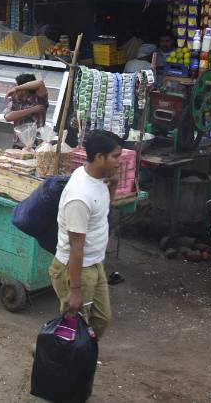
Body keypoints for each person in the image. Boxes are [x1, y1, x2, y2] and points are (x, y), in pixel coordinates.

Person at [50, 130, 123, 340]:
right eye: (116, 157)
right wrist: (75, 290)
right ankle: (54, 359)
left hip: (94, 264)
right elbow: (76, 247)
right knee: (73, 329)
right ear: (99, 157)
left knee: (100, 319)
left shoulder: (97, 178)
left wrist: (114, 186)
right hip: (77, 268)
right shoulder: (79, 196)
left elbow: (101, 212)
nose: (119, 162)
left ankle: (74, 357)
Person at [3, 73, 49, 146]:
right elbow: (8, 117)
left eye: (18, 86)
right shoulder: (14, 99)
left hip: (36, 144)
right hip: (18, 142)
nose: (14, 89)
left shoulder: (39, 99)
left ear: (24, 89)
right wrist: (32, 110)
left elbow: (40, 83)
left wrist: (16, 88)